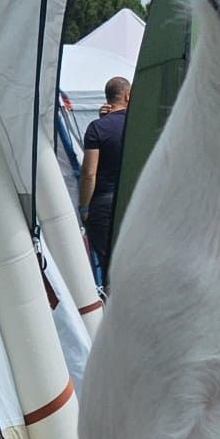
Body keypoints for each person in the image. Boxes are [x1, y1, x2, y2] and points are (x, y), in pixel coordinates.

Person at [79, 75, 130, 289]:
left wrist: (84, 207)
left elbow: (89, 173)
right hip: (132, 199)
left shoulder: (97, 128)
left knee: (109, 265)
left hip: (103, 204)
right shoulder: (137, 124)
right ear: (128, 95)